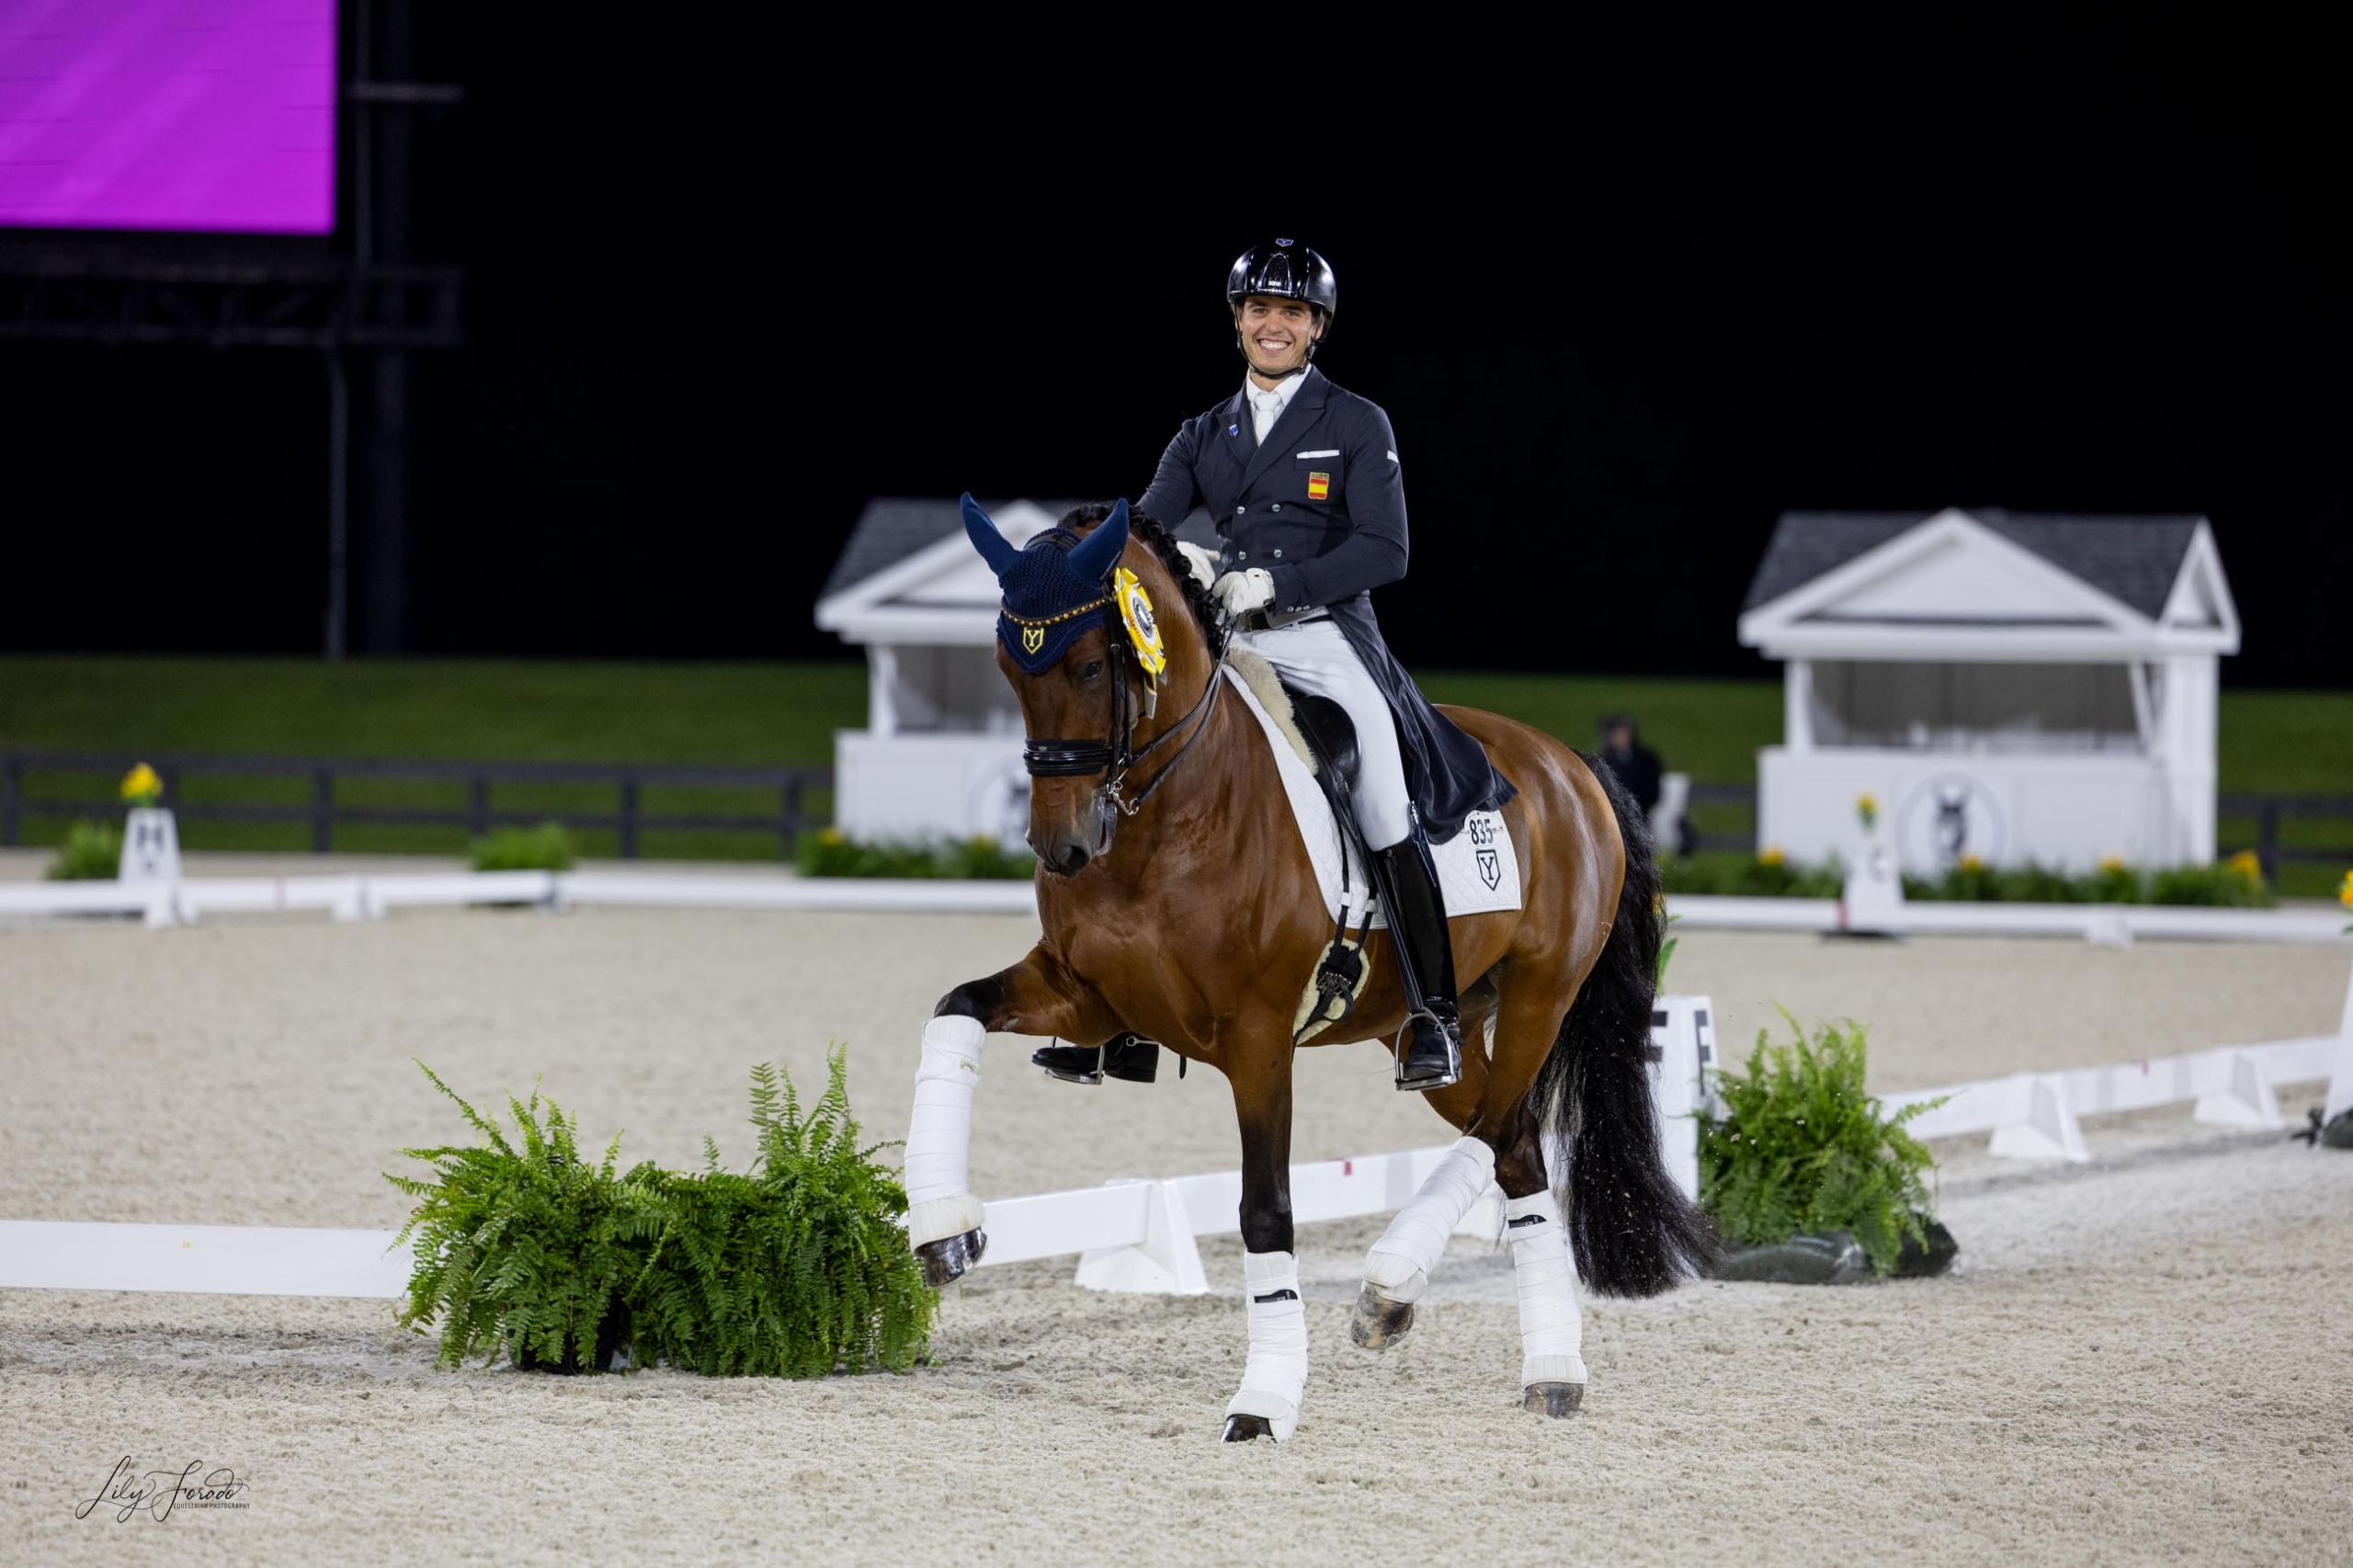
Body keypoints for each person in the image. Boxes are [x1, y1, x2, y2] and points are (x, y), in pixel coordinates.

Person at [1029, 239, 1515, 1094]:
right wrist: (1150, 560)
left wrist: (1277, 582)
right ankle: (1119, 1010)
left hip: (1325, 635)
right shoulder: (1202, 433)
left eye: (1291, 312)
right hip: (1231, 638)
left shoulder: (1355, 422)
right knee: (1138, 755)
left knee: (1380, 786)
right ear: (1239, 322)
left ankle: (1434, 1008)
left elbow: (1387, 548)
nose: (1273, 324)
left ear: (1315, 328)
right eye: (1259, 310)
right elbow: (1144, 533)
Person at [1597, 715, 1662, 816]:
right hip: (1616, 812)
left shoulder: (1646, 758)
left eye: (1624, 734)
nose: (1621, 738)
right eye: (1617, 735)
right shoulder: (1605, 761)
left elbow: (1653, 786)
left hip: (1644, 809)